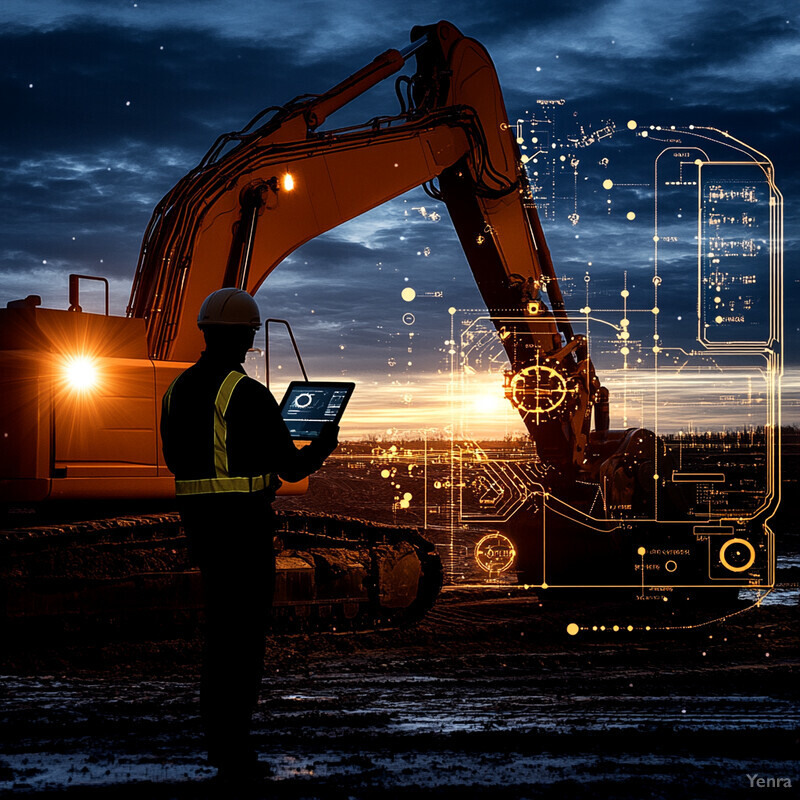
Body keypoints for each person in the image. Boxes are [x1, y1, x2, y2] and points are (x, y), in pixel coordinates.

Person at [160, 288, 338, 780]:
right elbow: (293, 465)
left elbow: (178, 460)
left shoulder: (175, 390)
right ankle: (233, 750)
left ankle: (219, 743)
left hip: (202, 526)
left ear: (205, 331)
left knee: (221, 638)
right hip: (243, 527)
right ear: (247, 337)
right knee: (243, 643)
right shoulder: (249, 394)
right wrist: (324, 443)